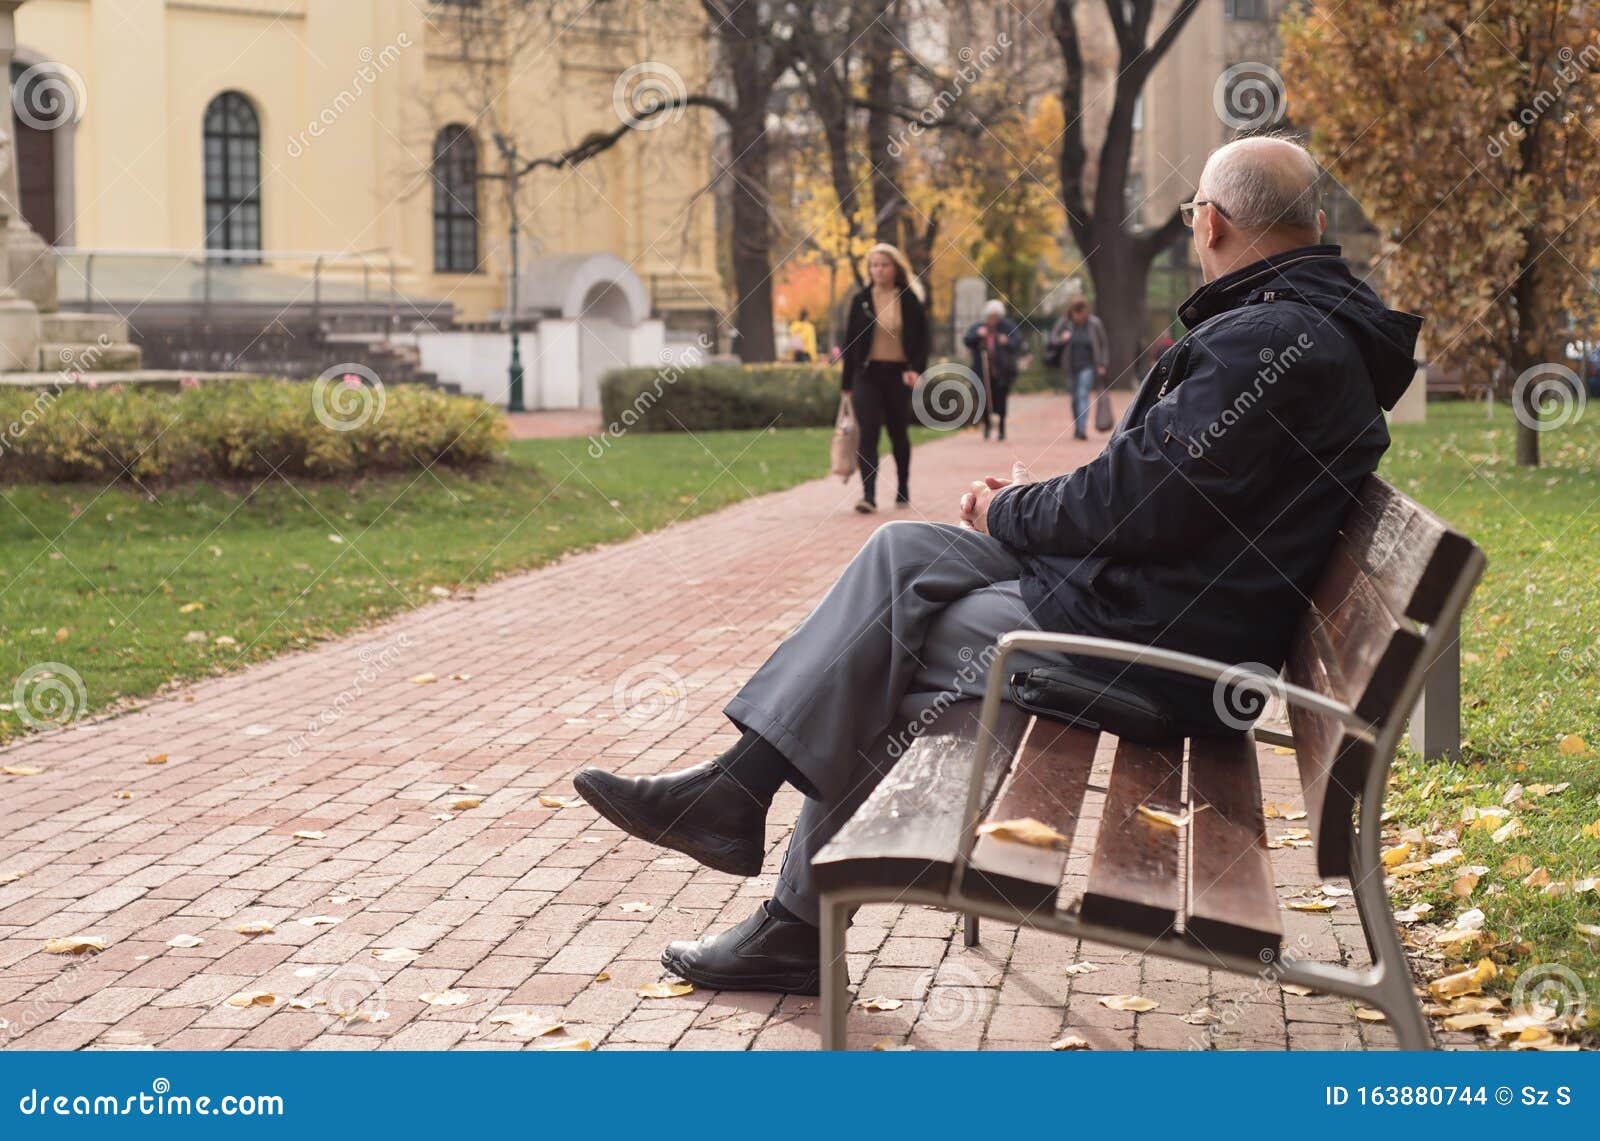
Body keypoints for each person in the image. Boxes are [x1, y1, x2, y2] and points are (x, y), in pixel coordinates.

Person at [573, 136, 1422, 994]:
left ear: (1213, 221)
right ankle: (740, 794)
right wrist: (1020, 510)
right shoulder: (1295, 324)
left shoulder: (1272, 338)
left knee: (897, 648)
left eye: (1192, 214)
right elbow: (1160, 494)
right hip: (1149, 602)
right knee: (902, 551)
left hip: (1154, 646)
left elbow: (1139, 502)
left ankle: (783, 912)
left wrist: (1008, 510)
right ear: (1314, 223)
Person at [833, 243, 928, 513]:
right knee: (869, 434)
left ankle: (903, 488)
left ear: (895, 267)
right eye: (874, 265)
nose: (879, 270)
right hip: (867, 374)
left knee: (898, 433)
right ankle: (869, 495)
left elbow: (922, 339)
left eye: (884, 265)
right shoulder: (861, 300)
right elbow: (850, 343)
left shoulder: (909, 299)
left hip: (898, 374)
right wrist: (846, 385)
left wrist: (915, 368)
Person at [963, 299, 1023, 440]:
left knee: (1001, 399)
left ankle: (1001, 427)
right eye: (990, 316)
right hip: (982, 370)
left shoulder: (1007, 327)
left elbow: (1017, 341)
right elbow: (967, 340)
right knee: (984, 399)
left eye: (996, 317)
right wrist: (978, 334)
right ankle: (987, 425)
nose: (993, 320)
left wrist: (1007, 341)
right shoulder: (979, 327)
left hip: (1002, 371)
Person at [1050, 297, 1109, 440]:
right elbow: (1053, 339)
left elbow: (1103, 345)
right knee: (1074, 398)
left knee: (1083, 394)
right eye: (1075, 313)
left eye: (1080, 313)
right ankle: (1077, 427)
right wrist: (1062, 338)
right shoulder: (1065, 323)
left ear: (1085, 312)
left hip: (1088, 366)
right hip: (1069, 367)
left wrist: (1102, 364)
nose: (1078, 316)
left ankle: (1082, 429)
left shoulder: (1094, 324)